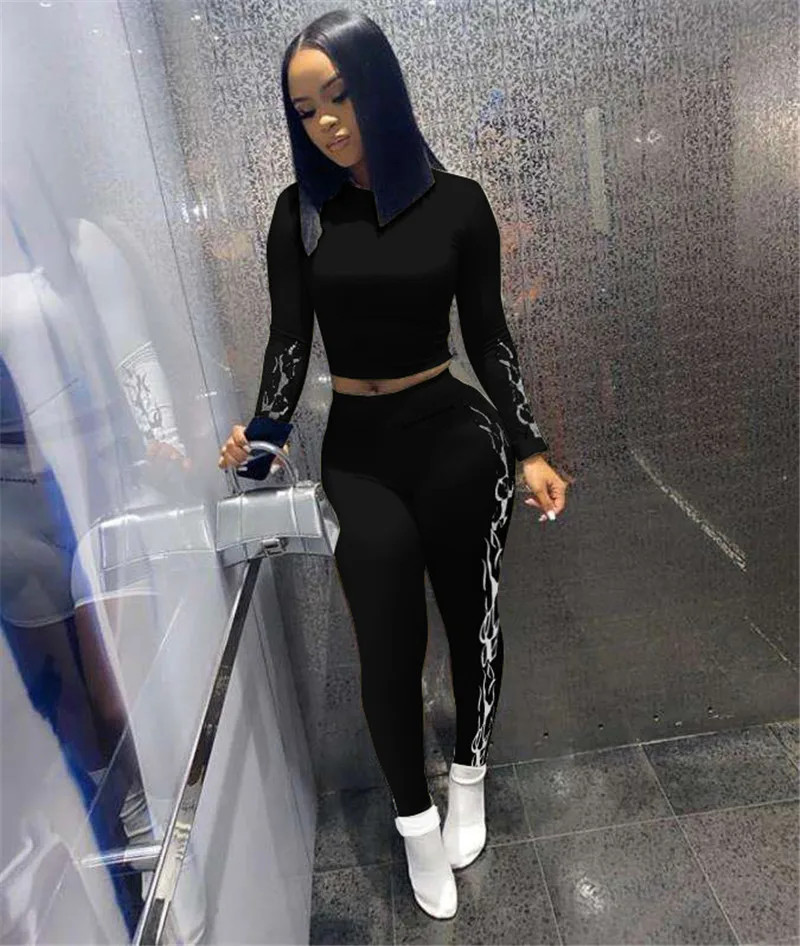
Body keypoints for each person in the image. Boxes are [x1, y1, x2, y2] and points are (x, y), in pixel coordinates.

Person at [218, 9, 570, 921]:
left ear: (378, 86)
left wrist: (529, 445)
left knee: (473, 619)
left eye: (339, 96)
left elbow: (488, 338)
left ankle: (470, 777)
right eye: (306, 110)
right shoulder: (300, 216)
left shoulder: (460, 204)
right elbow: (289, 341)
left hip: (458, 442)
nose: (326, 123)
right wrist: (263, 434)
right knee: (385, 643)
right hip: (361, 457)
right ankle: (415, 821)